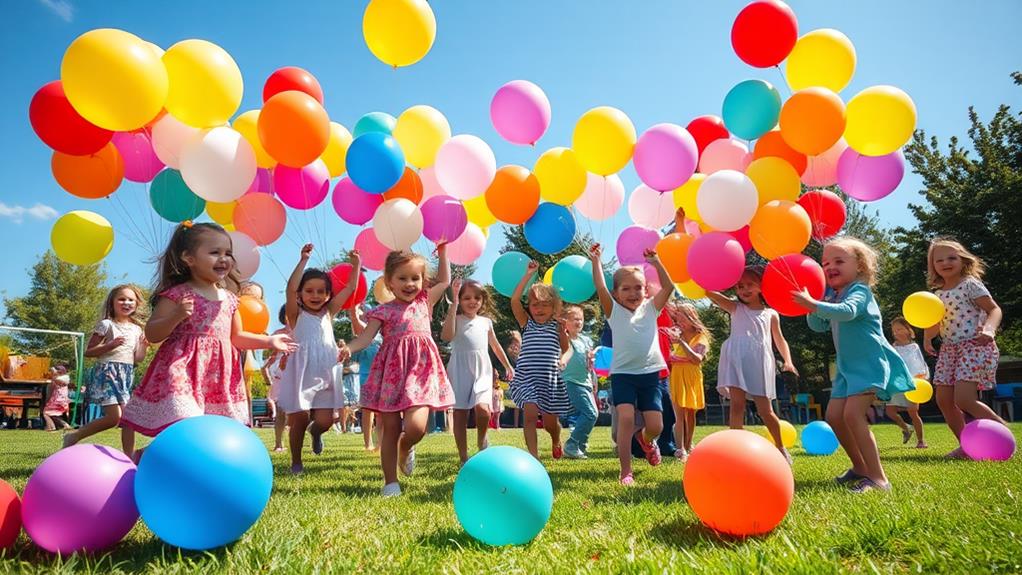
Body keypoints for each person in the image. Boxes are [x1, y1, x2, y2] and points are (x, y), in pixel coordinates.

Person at [119, 222, 296, 460]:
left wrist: (270, 342)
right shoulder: (177, 294)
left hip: (218, 376)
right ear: (188, 258)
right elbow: (152, 334)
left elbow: (237, 338)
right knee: (187, 423)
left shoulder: (232, 300)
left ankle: (148, 458)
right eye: (215, 252)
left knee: (208, 436)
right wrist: (176, 316)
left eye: (228, 253)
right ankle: (150, 459)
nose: (224, 259)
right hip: (183, 370)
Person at [794, 237, 914, 492]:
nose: (830, 267)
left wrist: (816, 304)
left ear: (859, 265)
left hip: (869, 364)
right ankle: (860, 467)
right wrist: (813, 306)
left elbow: (848, 312)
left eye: (839, 261)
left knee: (852, 415)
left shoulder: (859, 291)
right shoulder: (834, 296)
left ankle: (879, 479)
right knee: (834, 417)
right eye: (825, 263)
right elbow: (818, 326)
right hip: (847, 369)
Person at [340, 246, 455, 497]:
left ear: (423, 280)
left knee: (416, 428)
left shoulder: (426, 301)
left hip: (421, 372)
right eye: (402, 278)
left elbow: (445, 280)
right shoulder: (382, 311)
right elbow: (365, 338)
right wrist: (349, 348)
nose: (410, 283)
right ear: (389, 282)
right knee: (390, 428)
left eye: (415, 278)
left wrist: (443, 252)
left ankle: (407, 446)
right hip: (391, 375)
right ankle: (390, 482)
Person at [590, 243, 674, 486]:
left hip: (651, 376)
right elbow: (600, 286)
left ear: (646, 291)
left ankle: (646, 441)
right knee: (625, 418)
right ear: (616, 294)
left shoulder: (651, 309)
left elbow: (668, 287)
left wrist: (656, 262)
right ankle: (626, 471)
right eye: (626, 288)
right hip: (623, 375)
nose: (633, 293)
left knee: (656, 426)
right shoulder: (613, 311)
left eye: (638, 287)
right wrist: (596, 261)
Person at [278, 245, 361, 474]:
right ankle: (296, 462)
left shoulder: (329, 312)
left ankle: (316, 433)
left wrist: (355, 265)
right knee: (300, 419)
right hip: (302, 370)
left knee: (325, 421)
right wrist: (303, 260)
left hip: (325, 369)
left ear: (328, 295)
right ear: (300, 294)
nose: (316, 296)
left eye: (321, 291)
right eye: (309, 291)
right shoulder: (296, 314)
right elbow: (290, 288)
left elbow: (351, 287)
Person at [923, 238, 1006, 459]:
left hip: (974, 345)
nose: (946, 262)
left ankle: (1004, 435)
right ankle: (967, 445)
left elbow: (994, 309)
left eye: (952, 257)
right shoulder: (937, 294)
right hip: (950, 349)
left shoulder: (970, 284)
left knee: (964, 399)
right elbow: (935, 322)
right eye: (939, 260)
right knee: (943, 400)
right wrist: (927, 339)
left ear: (963, 259)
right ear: (933, 265)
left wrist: (989, 330)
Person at [707, 267, 797, 465]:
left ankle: (780, 447)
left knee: (765, 410)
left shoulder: (771, 313)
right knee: (737, 406)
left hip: (758, 361)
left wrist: (788, 361)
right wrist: (708, 276)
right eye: (740, 286)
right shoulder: (735, 308)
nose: (744, 289)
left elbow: (779, 340)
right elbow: (710, 293)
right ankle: (736, 450)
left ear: (761, 287)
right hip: (735, 359)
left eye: (750, 284)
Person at [63, 284, 149, 451]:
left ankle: (128, 456)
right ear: (112, 303)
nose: (126, 303)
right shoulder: (107, 325)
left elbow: (137, 358)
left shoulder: (137, 329)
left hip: (125, 375)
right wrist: (110, 345)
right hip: (107, 374)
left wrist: (144, 346)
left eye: (131, 300)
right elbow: (88, 352)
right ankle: (74, 436)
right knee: (118, 417)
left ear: (136, 304)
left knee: (124, 419)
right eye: (121, 299)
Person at [442, 278, 514, 464]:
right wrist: (454, 304)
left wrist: (507, 365)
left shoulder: (486, 322)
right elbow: (446, 336)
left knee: (483, 410)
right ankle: (463, 457)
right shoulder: (455, 319)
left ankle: (482, 440)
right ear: (459, 299)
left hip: (482, 368)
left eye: (477, 298)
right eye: (466, 298)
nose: (472, 301)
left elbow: (496, 346)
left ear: (482, 300)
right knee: (460, 414)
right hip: (459, 368)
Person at [507, 261, 571, 461]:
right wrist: (529, 274)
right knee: (530, 416)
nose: (540, 309)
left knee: (551, 425)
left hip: (549, 380)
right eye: (535, 304)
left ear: (554, 307)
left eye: (545, 304)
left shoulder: (557, 326)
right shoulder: (526, 323)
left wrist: (563, 360)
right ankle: (534, 458)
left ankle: (555, 439)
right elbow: (515, 300)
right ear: (530, 307)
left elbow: (567, 349)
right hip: (527, 379)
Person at [666, 302, 710, 460]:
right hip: (678, 375)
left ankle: (688, 444)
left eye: (683, 318)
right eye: (678, 318)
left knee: (690, 413)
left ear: (692, 318)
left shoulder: (700, 337)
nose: (679, 322)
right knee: (679, 414)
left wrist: (681, 343)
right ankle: (680, 449)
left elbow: (696, 359)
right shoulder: (676, 334)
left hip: (692, 377)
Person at [559, 305, 598, 459]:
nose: (579, 322)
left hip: (586, 382)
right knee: (591, 414)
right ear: (565, 322)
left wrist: (594, 376)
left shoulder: (586, 340)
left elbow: (590, 363)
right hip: (572, 381)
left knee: (591, 414)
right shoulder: (564, 338)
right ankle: (572, 444)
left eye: (581, 319)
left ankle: (580, 445)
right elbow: (567, 352)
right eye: (575, 319)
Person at [889, 317, 928, 448]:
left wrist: (921, 379)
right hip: (898, 383)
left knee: (913, 411)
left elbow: (920, 364)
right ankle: (906, 428)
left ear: (907, 329)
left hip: (914, 383)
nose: (896, 333)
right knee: (890, 411)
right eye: (894, 331)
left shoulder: (914, 346)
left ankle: (921, 441)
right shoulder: (892, 347)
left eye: (899, 329)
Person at [350, 304, 382, 451]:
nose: (366, 316)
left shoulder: (380, 332)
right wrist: (354, 311)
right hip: (366, 376)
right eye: (364, 315)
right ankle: (368, 443)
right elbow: (357, 323)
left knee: (382, 412)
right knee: (368, 410)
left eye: (367, 314)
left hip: (383, 376)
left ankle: (380, 443)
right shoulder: (362, 332)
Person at [43, 365, 72, 431]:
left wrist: (54, 372)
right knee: (52, 414)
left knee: (46, 412)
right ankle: (59, 425)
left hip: (58, 400)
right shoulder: (64, 379)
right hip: (62, 401)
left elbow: (55, 380)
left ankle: (54, 427)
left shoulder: (60, 379)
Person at [506, 331, 522, 427]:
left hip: (522, 379)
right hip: (514, 380)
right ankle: (516, 425)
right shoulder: (509, 351)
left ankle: (520, 423)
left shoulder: (524, 350)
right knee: (515, 405)